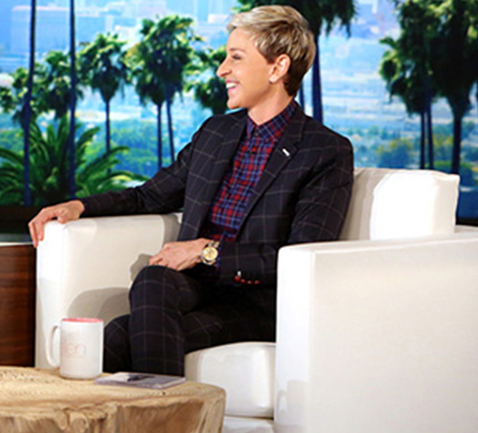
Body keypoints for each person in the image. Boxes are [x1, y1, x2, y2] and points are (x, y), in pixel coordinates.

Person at [28, 5, 353, 375]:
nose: (222, 70)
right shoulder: (217, 132)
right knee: (153, 279)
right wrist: (79, 206)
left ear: (278, 68)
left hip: (258, 302)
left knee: (118, 337)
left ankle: (150, 409)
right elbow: (149, 196)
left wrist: (205, 251)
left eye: (236, 58)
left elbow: (300, 258)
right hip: (199, 288)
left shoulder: (324, 151)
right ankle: (166, 407)